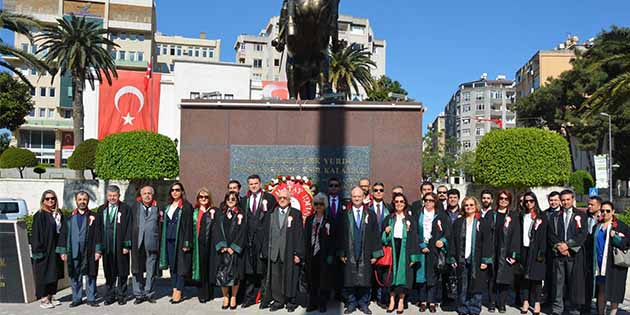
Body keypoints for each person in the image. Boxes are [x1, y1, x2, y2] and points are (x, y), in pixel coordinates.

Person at [338, 186, 383, 315]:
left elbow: (376, 235)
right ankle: (351, 303)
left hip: (366, 251)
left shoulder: (371, 214)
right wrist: (341, 253)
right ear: (351, 198)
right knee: (349, 279)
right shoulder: (345, 214)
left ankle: (364, 303)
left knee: (365, 279)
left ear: (363, 197)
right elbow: (340, 235)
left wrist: (375, 254)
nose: (357, 198)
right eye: (354, 196)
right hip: (350, 251)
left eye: (359, 196)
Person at [261, 188, 305, 312]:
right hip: (274, 251)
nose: (282, 200)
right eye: (280, 198)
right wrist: (266, 251)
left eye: (284, 198)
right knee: (275, 277)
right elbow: (265, 233)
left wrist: (298, 253)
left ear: (289, 200)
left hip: (289, 252)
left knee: (290, 277)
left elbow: (299, 235)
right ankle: (278, 300)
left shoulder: (295, 214)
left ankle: (291, 301)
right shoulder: (271, 213)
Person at [449, 196, 493, 315]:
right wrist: (452, 257)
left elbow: (487, 242)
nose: (469, 207)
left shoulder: (482, 222)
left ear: (476, 206)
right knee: (462, 284)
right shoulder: (458, 222)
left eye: (471, 205)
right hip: (461, 257)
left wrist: (485, 260)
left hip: (477, 259)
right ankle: (463, 308)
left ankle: (474, 308)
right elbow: (453, 240)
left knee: (476, 284)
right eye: (466, 205)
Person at [57, 191, 101, 308]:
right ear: (76, 201)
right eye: (80, 199)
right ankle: (77, 298)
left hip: (89, 251)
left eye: (84, 199)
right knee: (75, 274)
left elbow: (98, 235)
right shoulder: (69, 218)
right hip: (74, 251)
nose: (82, 201)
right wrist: (63, 251)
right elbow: (63, 235)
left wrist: (98, 250)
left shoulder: (94, 216)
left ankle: (91, 298)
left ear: (88, 201)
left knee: (91, 274)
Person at [548, 189, 588, 315]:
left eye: (568, 199)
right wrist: (559, 247)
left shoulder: (581, 215)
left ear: (573, 199)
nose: (565, 202)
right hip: (559, 254)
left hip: (573, 254)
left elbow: (582, 234)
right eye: (563, 200)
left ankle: (574, 308)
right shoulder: (555, 216)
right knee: (558, 283)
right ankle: (557, 309)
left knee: (574, 282)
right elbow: (551, 234)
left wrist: (568, 246)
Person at [241, 174, 277, 308]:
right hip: (249, 241)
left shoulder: (270, 198)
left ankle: (264, 297)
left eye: (256, 183)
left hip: (264, 240)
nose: (254, 186)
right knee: (249, 270)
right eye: (251, 184)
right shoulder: (244, 200)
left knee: (263, 270)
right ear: (248, 185)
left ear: (260, 184)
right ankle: (249, 297)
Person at [382, 193, 420, 314]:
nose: (399, 204)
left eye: (401, 202)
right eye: (396, 201)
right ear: (393, 203)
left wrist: (414, 257)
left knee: (404, 277)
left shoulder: (410, 219)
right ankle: (392, 300)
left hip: (406, 250)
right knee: (391, 276)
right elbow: (383, 240)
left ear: (405, 204)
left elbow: (414, 238)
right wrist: (386, 232)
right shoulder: (389, 218)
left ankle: (401, 301)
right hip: (392, 249)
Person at [415, 192, 451, 313]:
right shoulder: (418, 215)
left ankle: (432, 301)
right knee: (421, 276)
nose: (428, 202)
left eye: (431, 200)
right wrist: (421, 245)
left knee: (432, 276)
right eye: (426, 200)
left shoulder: (441, 216)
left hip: (434, 249)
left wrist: (442, 240)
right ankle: (423, 301)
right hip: (421, 248)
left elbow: (448, 232)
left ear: (435, 202)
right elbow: (414, 232)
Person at [592, 201, 630, 315]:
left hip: (614, 264)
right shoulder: (597, 226)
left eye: (608, 211)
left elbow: (626, 243)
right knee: (601, 290)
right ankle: (600, 312)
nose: (605, 213)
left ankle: (613, 313)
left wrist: (616, 237)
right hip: (599, 264)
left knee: (614, 290)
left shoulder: (621, 226)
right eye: (602, 210)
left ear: (613, 211)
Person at [97, 185, 132, 306]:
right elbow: (98, 229)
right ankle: (110, 295)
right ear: (107, 196)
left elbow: (129, 227)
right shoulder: (102, 209)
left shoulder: (126, 209)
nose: (112, 198)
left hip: (120, 246)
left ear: (119, 196)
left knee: (122, 272)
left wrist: (127, 245)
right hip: (107, 246)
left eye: (114, 196)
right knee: (109, 272)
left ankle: (122, 295)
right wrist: (99, 248)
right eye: (110, 196)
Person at [159, 182, 194, 304]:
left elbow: (189, 226)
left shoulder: (186, 206)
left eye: (177, 190)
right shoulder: (167, 206)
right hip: (168, 240)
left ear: (182, 192)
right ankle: (174, 288)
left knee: (180, 267)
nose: (175, 192)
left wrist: (187, 243)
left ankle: (179, 290)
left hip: (180, 240)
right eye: (172, 190)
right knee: (172, 266)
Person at [31, 190, 65, 309]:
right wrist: (37, 251)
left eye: (53, 198)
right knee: (44, 273)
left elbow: (62, 231)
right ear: (43, 201)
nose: (50, 200)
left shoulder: (58, 214)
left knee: (54, 273)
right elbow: (36, 234)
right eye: (47, 199)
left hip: (55, 249)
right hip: (45, 250)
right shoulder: (40, 215)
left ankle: (51, 295)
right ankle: (44, 298)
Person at [490, 190, 521, 313]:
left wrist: (513, 254)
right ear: (498, 199)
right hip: (492, 250)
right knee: (491, 277)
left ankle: (501, 303)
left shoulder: (513, 216)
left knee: (504, 278)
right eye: (501, 198)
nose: (503, 200)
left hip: (506, 251)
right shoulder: (491, 214)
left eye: (506, 199)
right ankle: (492, 302)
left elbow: (516, 236)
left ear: (509, 201)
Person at [216, 191, 247, 310]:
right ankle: (225, 297)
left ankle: (233, 296)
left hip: (234, 250)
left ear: (237, 201)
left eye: (233, 199)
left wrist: (233, 248)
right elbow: (217, 230)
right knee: (222, 274)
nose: (230, 201)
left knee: (235, 275)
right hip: (223, 250)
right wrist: (222, 246)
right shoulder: (221, 214)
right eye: (228, 199)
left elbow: (242, 232)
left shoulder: (241, 214)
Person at [130, 185, 161, 304]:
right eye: (145, 193)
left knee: (151, 269)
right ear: (141, 195)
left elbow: (160, 225)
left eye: (149, 193)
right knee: (136, 269)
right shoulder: (134, 207)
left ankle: (149, 293)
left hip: (152, 242)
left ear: (152, 195)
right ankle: (138, 294)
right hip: (137, 242)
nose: (147, 195)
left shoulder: (157, 208)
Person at [305, 193, 335, 313]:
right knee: (312, 280)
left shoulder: (329, 220)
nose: (318, 206)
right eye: (316, 204)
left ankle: (322, 303)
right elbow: (306, 237)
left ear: (325, 205)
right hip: (311, 254)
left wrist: (330, 255)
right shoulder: (309, 219)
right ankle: (312, 303)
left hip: (324, 255)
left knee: (323, 281)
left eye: (321, 204)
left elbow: (333, 239)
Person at [518, 192, 547, 315]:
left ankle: (537, 302)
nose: (528, 203)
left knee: (536, 279)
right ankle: (525, 301)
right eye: (526, 201)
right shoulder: (521, 215)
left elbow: (544, 236)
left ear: (535, 201)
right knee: (524, 278)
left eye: (531, 201)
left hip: (536, 251)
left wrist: (541, 252)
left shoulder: (541, 217)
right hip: (523, 249)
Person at [192, 188, 220, 303]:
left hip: (211, 243)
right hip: (198, 243)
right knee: (201, 269)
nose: (203, 199)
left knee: (210, 268)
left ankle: (210, 292)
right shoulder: (194, 212)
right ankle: (202, 293)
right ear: (198, 199)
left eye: (206, 197)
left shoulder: (214, 211)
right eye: (201, 197)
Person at [371, 182, 392, 308]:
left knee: (383, 273)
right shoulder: (367, 207)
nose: (378, 192)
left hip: (384, 245)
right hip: (370, 243)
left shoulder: (389, 207)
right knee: (370, 272)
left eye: (381, 190)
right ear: (372, 192)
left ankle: (381, 298)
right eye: (376, 190)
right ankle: (370, 296)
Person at [583, 195, 603, 314]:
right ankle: (586, 305)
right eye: (588, 204)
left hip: (598, 254)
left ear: (599, 206)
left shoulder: (603, 218)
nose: (589, 206)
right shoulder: (584, 216)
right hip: (586, 253)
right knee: (586, 281)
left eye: (592, 205)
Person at [479, 190, 496, 312]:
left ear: (492, 200)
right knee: (479, 277)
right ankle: (478, 301)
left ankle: (492, 302)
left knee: (491, 278)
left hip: (491, 249)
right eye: (484, 198)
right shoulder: (476, 213)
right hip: (478, 250)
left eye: (488, 198)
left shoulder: (494, 214)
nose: (486, 200)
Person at [543, 191, 561, 305]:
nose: (553, 202)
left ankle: (559, 300)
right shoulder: (545, 213)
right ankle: (548, 298)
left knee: (558, 277)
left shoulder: (563, 213)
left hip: (559, 248)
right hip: (546, 249)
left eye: (555, 200)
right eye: (551, 200)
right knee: (548, 275)